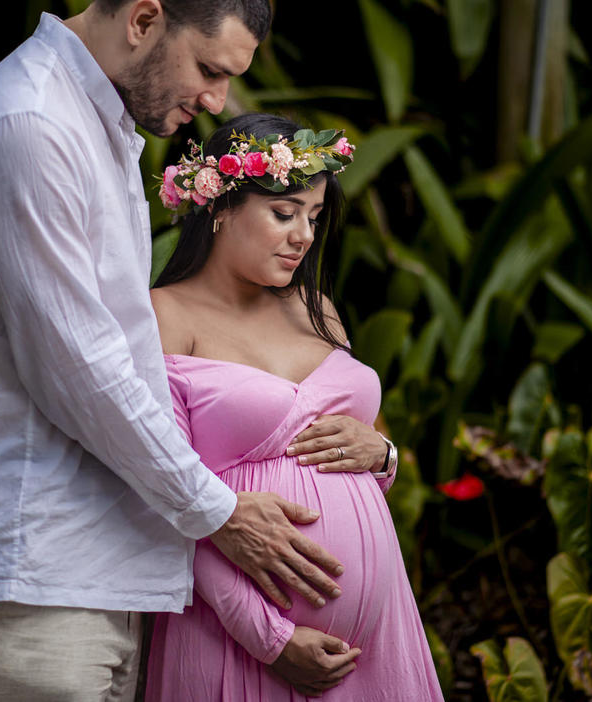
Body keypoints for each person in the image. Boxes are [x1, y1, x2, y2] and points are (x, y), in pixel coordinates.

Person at [0, 0, 347, 701]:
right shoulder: (30, 125)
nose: (216, 102)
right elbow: (77, 367)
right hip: (28, 566)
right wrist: (218, 512)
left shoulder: (98, 127)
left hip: (91, 570)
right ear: (144, 20)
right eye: (208, 70)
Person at [143, 113, 445, 700]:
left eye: (313, 217)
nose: (304, 236)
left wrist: (384, 454)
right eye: (284, 214)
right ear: (220, 207)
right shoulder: (164, 315)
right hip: (234, 634)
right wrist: (269, 639)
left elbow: (363, 446)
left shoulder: (316, 308)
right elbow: (163, 496)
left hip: (375, 638)